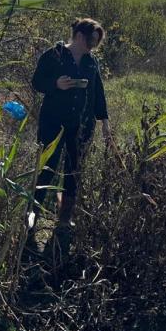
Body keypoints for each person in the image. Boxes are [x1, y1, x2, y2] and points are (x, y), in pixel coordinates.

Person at [29, 18, 112, 231]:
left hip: (82, 124)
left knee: (74, 170)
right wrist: (56, 84)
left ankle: (64, 217)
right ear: (78, 36)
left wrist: (104, 123)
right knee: (47, 167)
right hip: (53, 123)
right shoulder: (54, 55)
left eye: (96, 43)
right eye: (91, 42)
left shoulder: (91, 62)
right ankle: (32, 214)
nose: (93, 47)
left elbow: (98, 92)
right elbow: (37, 82)